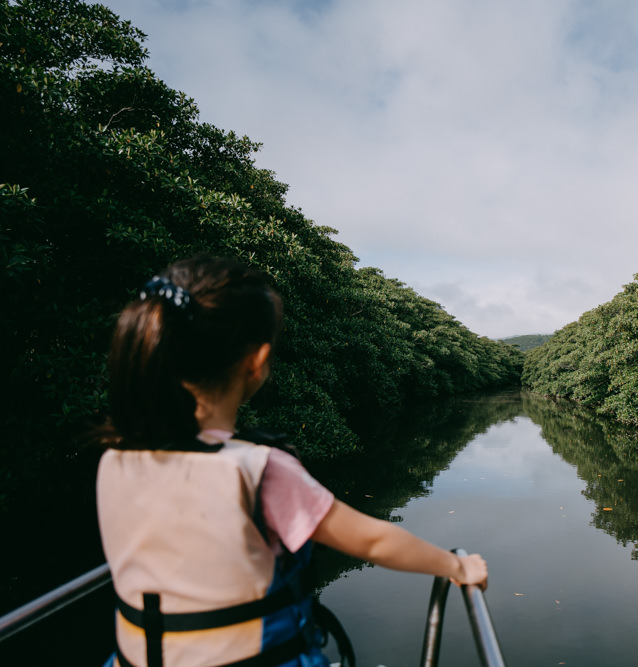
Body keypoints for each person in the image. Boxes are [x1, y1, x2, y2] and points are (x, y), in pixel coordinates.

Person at [96, 255, 487, 667]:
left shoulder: (116, 458)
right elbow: (373, 540)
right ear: (257, 361)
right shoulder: (260, 470)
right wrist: (457, 565)